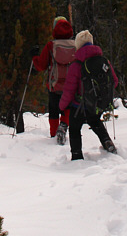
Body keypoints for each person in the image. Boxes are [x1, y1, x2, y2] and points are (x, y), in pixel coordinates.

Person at [58, 29, 119, 161]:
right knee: (96, 122)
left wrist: (62, 106)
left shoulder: (76, 64)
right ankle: (107, 143)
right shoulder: (103, 61)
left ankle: (77, 155)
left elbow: (69, 89)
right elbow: (114, 81)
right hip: (97, 104)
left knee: (74, 129)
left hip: (79, 105)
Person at [31, 16, 75, 144]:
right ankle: (64, 126)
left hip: (54, 85)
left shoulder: (51, 45)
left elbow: (41, 65)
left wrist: (34, 56)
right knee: (68, 107)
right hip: (71, 85)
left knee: (54, 109)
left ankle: (54, 135)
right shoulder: (75, 45)